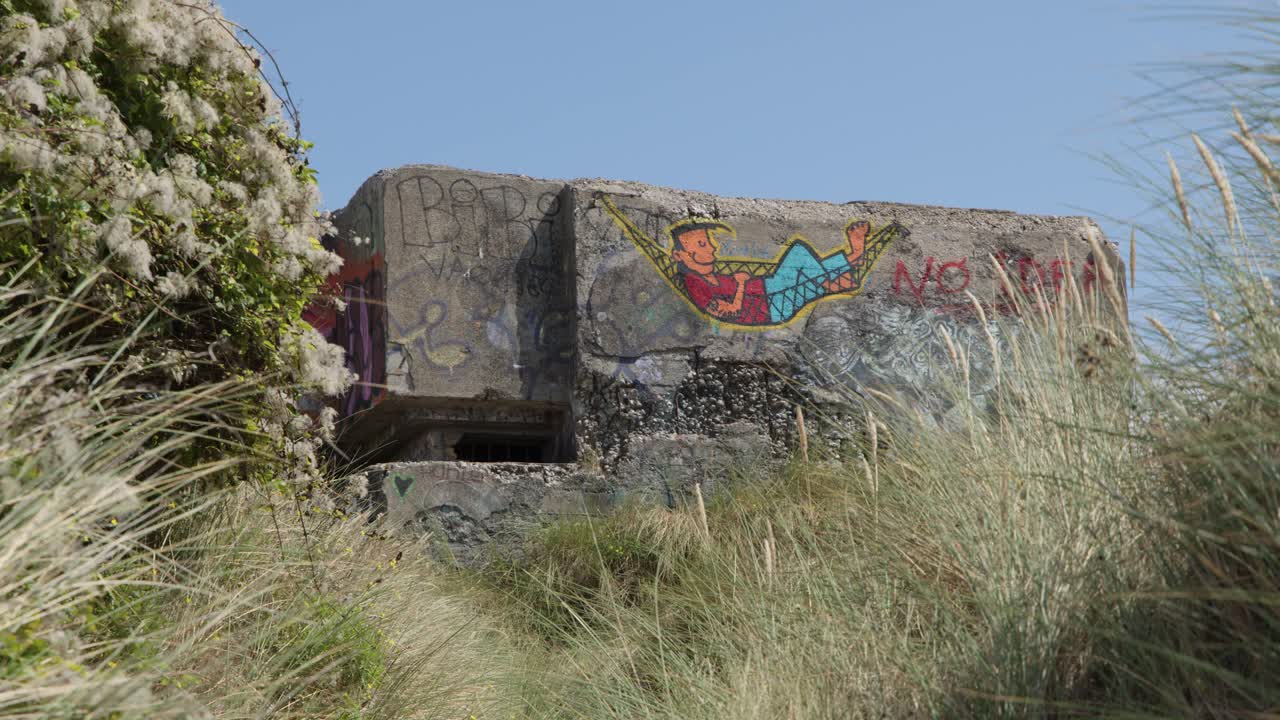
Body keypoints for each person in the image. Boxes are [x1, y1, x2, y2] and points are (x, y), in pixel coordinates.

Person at [669, 218, 877, 326]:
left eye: (709, 242)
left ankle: (838, 273)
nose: (713, 247)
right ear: (679, 255)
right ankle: (843, 268)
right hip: (772, 304)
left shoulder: (708, 276)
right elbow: (732, 311)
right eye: (702, 244)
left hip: (771, 290)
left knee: (801, 261)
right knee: (800, 259)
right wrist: (741, 283)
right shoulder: (695, 283)